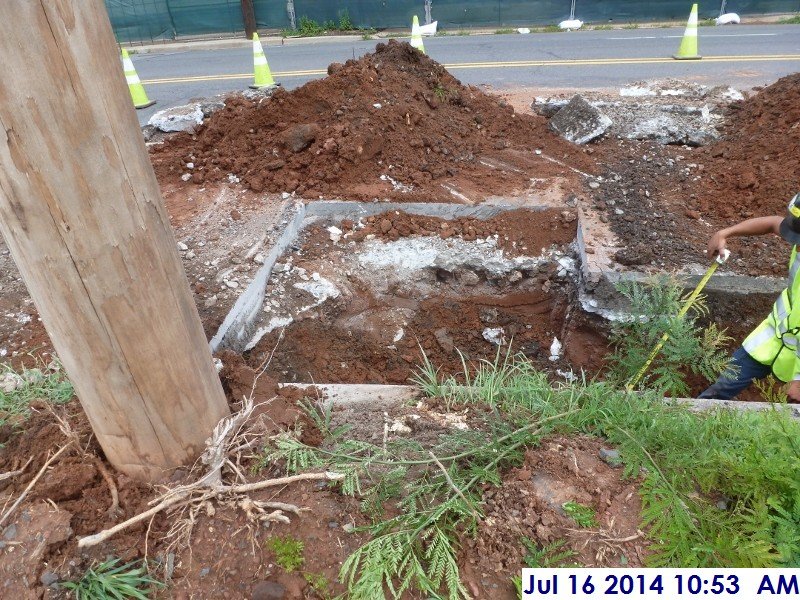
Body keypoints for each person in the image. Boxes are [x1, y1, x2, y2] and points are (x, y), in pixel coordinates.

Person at [700, 192, 800, 401]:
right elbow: (773, 223)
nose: (796, 245)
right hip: (771, 340)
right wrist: (725, 232)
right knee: (722, 387)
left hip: (796, 360)